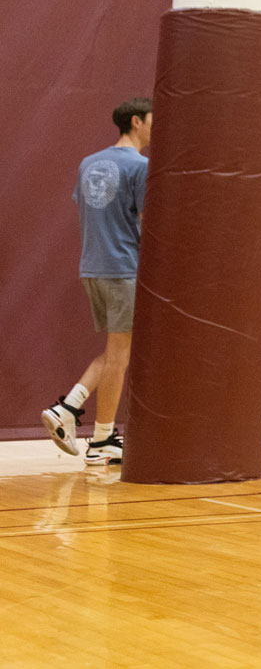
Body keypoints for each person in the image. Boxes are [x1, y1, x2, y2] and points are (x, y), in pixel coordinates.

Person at [42, 97, 153, 466]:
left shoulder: (88, 163)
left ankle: (90, 425)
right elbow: (145, 222)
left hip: (92, 267)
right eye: (152, 120)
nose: (155, 127)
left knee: (115, 353)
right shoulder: (140, 167)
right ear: (136, 122)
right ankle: (82, 419)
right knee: (119, 356)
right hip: (124, 268)